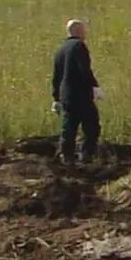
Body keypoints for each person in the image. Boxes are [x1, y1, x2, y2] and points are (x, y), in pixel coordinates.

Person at [51, 18, 101, 163]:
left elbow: (56, 76)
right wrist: (94, 86)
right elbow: (84, 69)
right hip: (81, 94)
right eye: (84, 29)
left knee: (69, 126)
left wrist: (56, 98)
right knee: (92, 126)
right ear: (78, 30)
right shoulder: (79, 46)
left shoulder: (60, 50)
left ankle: (66, 156)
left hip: (66, 95)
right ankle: (86, 156)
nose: (86, 32)